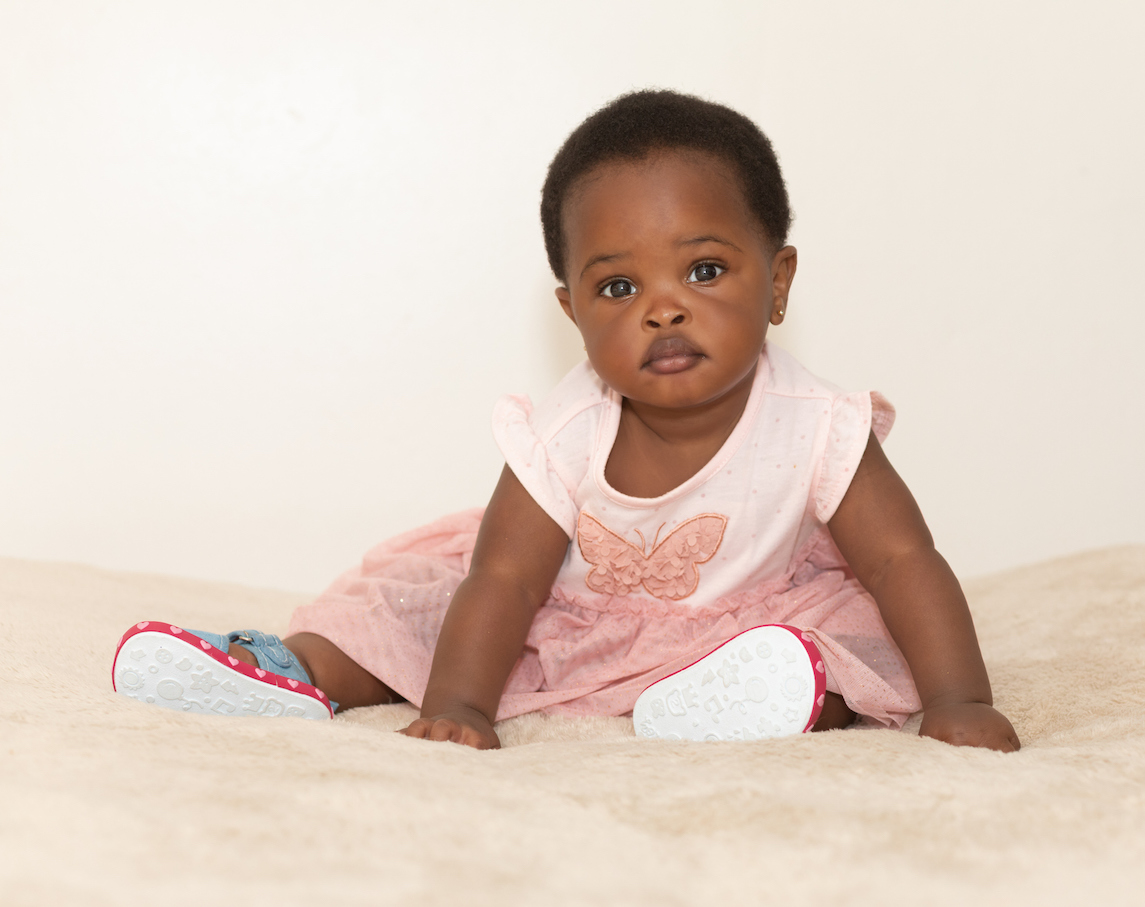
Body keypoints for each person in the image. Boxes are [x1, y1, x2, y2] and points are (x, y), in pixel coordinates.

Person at [111, 90, 1020, 753]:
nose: (664, 310)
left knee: (842, 640)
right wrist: (461, 706)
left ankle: (762, 699)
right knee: (416, 616)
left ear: (777, 283)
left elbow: (905, 560)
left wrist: (958, 698)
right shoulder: (564, 433)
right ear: (574, 311)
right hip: (562, 616)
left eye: (704, 271)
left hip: (739, 626)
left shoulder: (818, 425)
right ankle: (281, 671)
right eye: (620, 287)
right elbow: (506, 581)